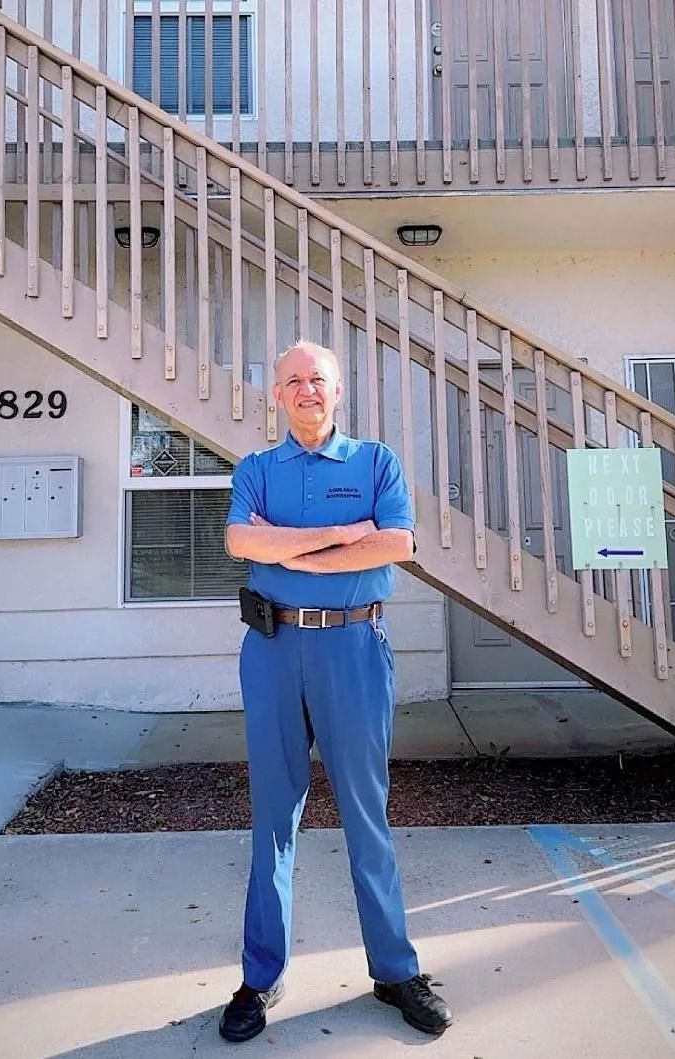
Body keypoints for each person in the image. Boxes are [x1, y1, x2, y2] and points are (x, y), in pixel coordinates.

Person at [220, 340, 452, 1043]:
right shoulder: (257, 469)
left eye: (316, 377)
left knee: (366, 814)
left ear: (338, 388)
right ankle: (260, 977)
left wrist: (285, 544)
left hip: (354, 647)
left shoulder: (375, 461)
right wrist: (341, 534)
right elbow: (238, 542)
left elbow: (398, 544)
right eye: (291, 379)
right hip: (272, 649)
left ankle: (394, 968)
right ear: (276, 395)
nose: (305, 389)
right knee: (273, 818)